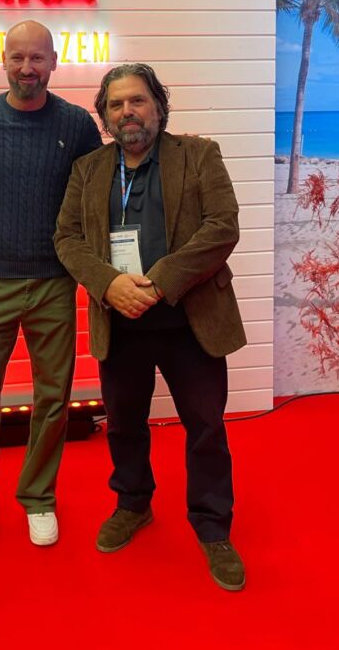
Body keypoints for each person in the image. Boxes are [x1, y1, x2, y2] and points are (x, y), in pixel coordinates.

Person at [54, 63, 247, 591]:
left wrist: (159, 283)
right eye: (115, 105)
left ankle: (212, 527)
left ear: (159, 105)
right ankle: (133, 503)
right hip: (120, 319)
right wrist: (109, 284)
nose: (127, 112)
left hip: (190, 318)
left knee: (205, 427)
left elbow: (222, 227)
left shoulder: (199, 155)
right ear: (105, 116)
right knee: (123, 424)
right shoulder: (88, 169)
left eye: (137, 100)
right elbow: (67, 238)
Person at [0, 20, 101, 563]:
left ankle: (38, 498)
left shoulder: (77, 124)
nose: (27, 68)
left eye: (37, 58)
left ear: (54, 61)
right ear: (3, 60)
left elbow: (100, 187)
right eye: (18, 57)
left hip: (54, 283)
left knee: (53, 398)